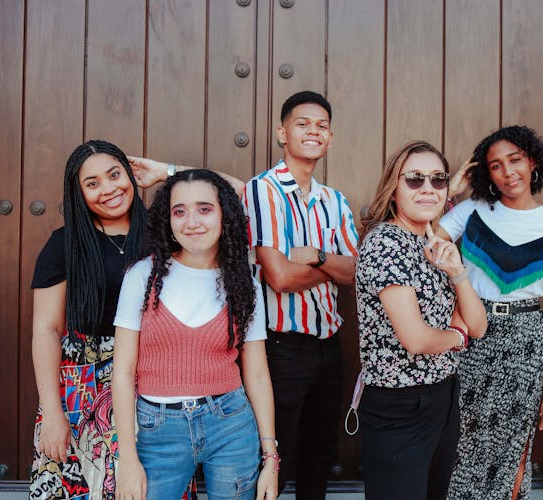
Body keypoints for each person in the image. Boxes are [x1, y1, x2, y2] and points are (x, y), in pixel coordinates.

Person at [112, 169, 278, 500]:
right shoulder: (142, 276)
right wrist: (127, 459)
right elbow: (123, 371)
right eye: (179, 211)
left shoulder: (244, 282)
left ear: (224, 215)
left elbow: (257, 375)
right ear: (167, 219)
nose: (191, 221)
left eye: (204, 208)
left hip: (231, 425)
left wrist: (270, 457)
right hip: (157, 431)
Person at [437, 125, 543, 499]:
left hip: (526, 339)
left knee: (514, 446)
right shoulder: (471, 210)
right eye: (495, 165)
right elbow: (425, 241)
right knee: (462, 441)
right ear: (486, 173)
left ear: (532, 162)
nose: (508, 172)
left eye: (515, 160)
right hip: (471, 331)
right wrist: (451, 191)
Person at [354, 140, 488, 500]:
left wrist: (457, 272)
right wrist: (457, 338)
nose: (427, 188)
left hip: (442, 397)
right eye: (414, 179)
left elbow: (477, 325)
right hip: (399, 405)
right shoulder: (385, 243)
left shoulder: (435, 244)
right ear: (393, 190)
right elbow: (416, 338)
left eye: (438, 180)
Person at [242, 90, 358, 499]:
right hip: (281, 348)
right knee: (278, 454)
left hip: (329, 347)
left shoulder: (335, 201)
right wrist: (330, 267)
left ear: (331, 138)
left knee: (320, 454)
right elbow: (279, 278)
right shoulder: (262, 191)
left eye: (322, 126)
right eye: (302, 123)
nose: (314, 131)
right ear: (281, 133)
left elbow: (355, 272)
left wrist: (316, 257)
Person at [29, 140, 147, 499]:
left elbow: (238, 197)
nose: (109, 189)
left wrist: (165, 172)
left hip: (153, 383)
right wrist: (52, 411)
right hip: (82, 388)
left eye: (115, 175)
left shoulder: (166, 232)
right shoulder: (64, 244)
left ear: (131, 174)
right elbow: (46, 329)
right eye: (92, 183)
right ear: (78, 193)